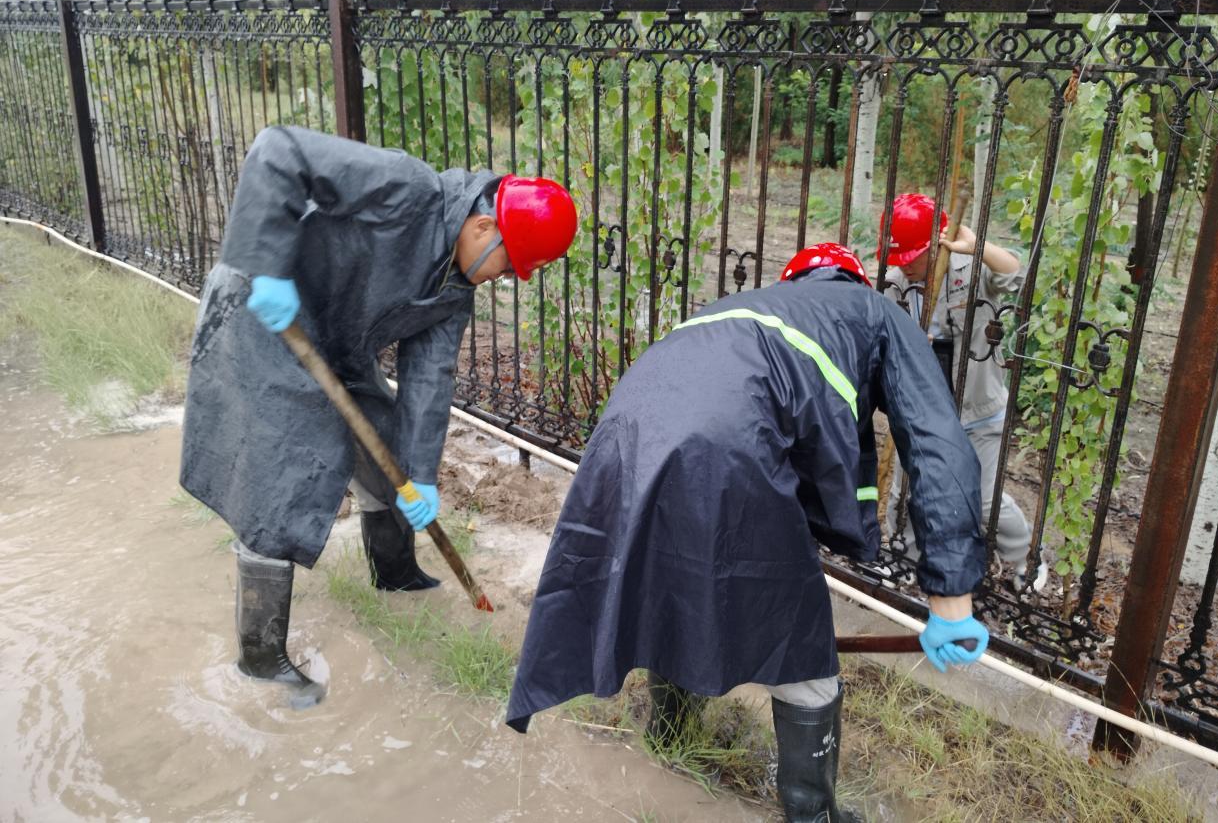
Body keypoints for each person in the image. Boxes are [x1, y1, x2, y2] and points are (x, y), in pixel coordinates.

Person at [505, 242, 989, 823]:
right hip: (730, 441)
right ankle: (811, 813)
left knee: (667, 581)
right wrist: (952, 598)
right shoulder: (876, 312)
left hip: (629, 426)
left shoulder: (744, 310)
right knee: (797, 632)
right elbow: (937, 444)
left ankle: (669, 741)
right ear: (856, 283)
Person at [180, 125, 577, 707]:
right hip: (263, 309)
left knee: (386, 447)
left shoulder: (453, 292)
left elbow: (428, 383)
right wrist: (265, 266)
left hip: (337, 341)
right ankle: (259, 659)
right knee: (281, 472)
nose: (501, 279)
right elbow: (277, 151)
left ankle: (393, 573)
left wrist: (422, 476)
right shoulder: (406, 189)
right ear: (483, 226)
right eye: (506, 265)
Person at [877, 192, 1047, 593]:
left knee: (985, 501)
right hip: (922, 409)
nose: (905, 265)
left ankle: (1027, 559)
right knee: (908, 493)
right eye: (898, 257)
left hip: (977, 408)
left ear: (939, 243)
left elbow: (1017, 276)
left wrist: (980, 246)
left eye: (913, 256)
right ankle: (903, 557)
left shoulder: (972, 268)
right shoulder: (895, 282)